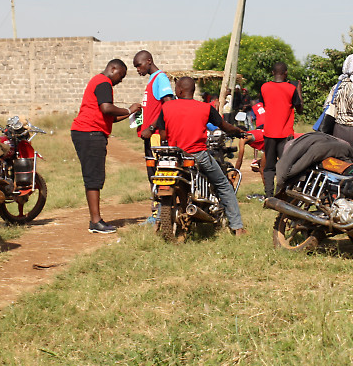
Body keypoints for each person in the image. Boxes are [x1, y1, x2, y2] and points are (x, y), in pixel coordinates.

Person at [155, 77, 247, 235]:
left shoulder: (167, 106)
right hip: (197, 155)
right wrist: (238, 132)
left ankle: (158, 221)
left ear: (179, 90)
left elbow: (163, 135)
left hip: (174, 157)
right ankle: (237, 227)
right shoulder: (205, 108)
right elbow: (224, 126)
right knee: (223, 185)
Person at [72, 59, 141, 234]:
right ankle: (95, 221)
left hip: (88, 132)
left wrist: (129, 113)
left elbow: (109, 116)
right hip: (90, 133)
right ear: (113, 68)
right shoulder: (103, 82)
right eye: (121, 75)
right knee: (93, 177)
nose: (121, 80)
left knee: (94, 176)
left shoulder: (98, 81)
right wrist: (127, 109)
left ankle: (95, 220)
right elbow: (106, 108)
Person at [133, 50, 174, 220]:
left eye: (139, 65)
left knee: (158, 174)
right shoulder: (152, 80)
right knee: (152, 174)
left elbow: (169, 105)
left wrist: (151, 126)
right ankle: (157, 211)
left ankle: (160, 213)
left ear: (148, 61)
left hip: (156, 135)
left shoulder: (160, 78)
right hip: (150, 135)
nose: (137, 69)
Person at [260, 62, 303, 197]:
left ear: (273, 73)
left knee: (269, 167)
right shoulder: (291, 89)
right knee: (287, 166)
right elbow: (300, 109)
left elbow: (265, 103)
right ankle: (285, 194)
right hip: (285, 134)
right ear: (286, 73)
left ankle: (268, 196)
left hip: (269, 132)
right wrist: (298, 90)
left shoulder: (264, 87)